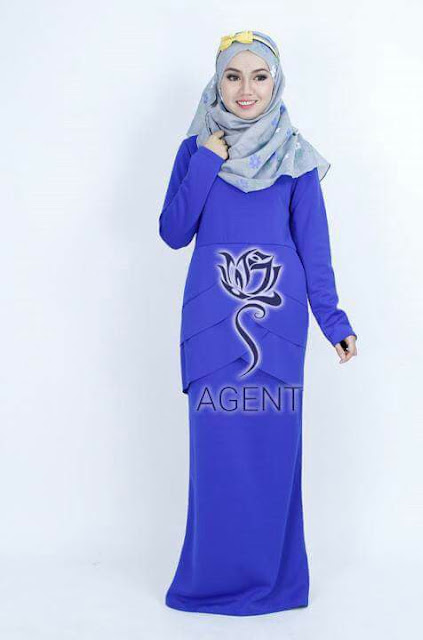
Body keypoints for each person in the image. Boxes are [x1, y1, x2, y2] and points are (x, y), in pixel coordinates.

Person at [158, 29, 358, 617]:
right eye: (233, 76)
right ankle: (210, 582)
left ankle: (276, 582)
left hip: (276, 329)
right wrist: (208, 160)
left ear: (276, 82)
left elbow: (314, 252)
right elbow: (173, 231)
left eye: (259, 76)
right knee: (216, 457)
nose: (246, 89)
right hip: (211, 326)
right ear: (217, 82)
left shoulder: (296, 157)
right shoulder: (196, 148)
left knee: (271, 456)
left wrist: (334, 322)